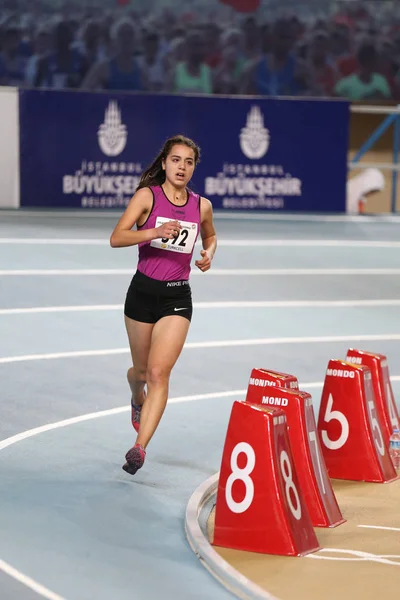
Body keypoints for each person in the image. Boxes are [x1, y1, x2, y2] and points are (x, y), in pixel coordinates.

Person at [109, 135, 217, 476]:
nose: (181, 167)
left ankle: (139, 447)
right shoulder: (147, 197)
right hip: (142, 294)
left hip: (176, 297)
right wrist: (153, 232)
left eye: (188, 162)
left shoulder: (202, 206)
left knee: (158, 373)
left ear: (193, 167)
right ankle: (135, 394)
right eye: (176, 160)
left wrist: (208, 253)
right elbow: (117, 237)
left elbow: (210, 235)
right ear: (165, 163)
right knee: (140, 373)